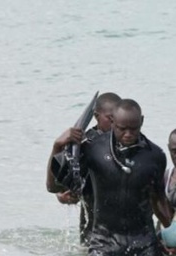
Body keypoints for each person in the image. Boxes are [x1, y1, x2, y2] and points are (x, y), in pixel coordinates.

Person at [47, 98, 172, 256]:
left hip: (144, 245)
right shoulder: (92, 149)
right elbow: (54, 187)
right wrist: (57, 146)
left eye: (133, 129)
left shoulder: (155, 156)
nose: (128, 134)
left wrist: (173, 234)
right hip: (103, 244)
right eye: (122, 129)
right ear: (113, 122)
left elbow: (159, 200)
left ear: (141, 121)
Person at [46, 92, 122, 244]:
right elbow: (53, 187)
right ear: (96, 116)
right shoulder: (85, 147)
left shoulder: (130, 142)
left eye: (118, 119)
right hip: (93, 236)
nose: (115, 125)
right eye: (110, 119)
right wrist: (57, 146)